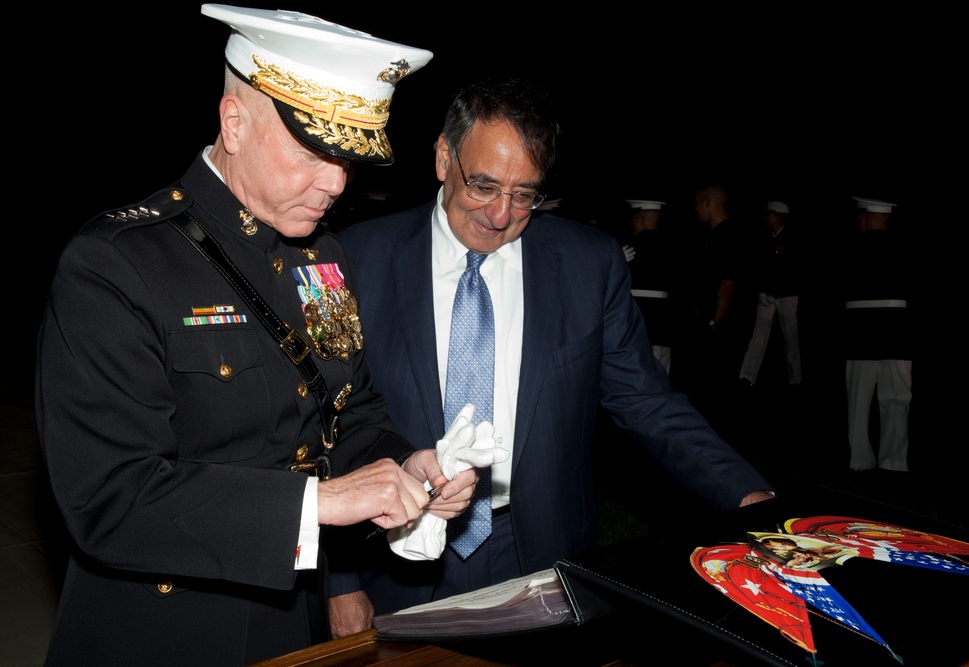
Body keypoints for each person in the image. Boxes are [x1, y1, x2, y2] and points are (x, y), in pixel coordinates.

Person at [35, 7, 479, 665]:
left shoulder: (322, 262)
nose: (335, 183)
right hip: (164, 633)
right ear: (234, 122)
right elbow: (110, 499)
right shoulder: (117, 264)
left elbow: (348, 411)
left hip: (291, 622)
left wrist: (403, 463)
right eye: (312, 151)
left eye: (348, 159)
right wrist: (320, 502)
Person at [330, 75, 776, 633]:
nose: (500, 215)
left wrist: (743, 493)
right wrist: (342, 583)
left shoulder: (589, 265)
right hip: (395, 556)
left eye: (524, 194)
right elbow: (329, 423)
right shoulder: (354, 260)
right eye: (485, 186)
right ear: (444, 157)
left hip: (542, 554)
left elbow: (644, 400)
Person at [670, 182, 754, 440]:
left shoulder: (729, 235)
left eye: (697, 203)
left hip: (720, 326)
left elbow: (727, 286)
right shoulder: (715, 235)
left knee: (714, 386)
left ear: (708, 202)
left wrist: (713, 323)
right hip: (716, 323)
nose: (695, 209)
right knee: (708, 387)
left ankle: (714, 438)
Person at [840, 196, 913, 472]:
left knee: (859, 400)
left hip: (861, 331)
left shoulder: (851, 248)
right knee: (897, 397)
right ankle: (893, 461)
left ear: (864, 218)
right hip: (896, 330)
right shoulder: (905, 248)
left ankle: (859, 460)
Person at [737, 200, 803, 387]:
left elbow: (793, 271)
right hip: (767, 295)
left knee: (791, 337)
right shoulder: (765, 238)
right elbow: (760, 268)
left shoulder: (792, 238)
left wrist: (775, 290)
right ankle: (747, 376)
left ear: (779, 216)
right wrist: (762, 291)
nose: (766, 217)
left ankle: (796, 378)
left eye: (770, 213)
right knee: (758, 334)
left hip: (787, 295)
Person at [620, 199, 679, 374]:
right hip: (662, 322)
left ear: (640, 219)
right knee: (660, 371)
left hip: (634, 317)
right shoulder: (673, 247)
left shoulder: (627, 246)